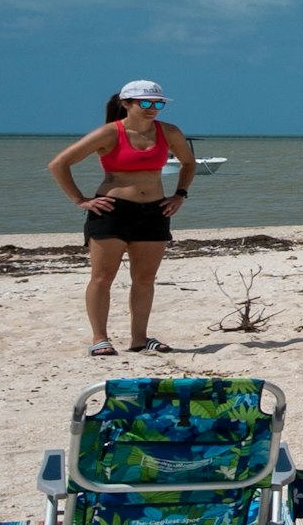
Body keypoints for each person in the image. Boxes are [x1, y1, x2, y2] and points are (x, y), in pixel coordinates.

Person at [45, 79, 195, 357]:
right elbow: (59, 164)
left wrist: (180, 195)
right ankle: (100, 338)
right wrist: (80, 200)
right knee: (102, 277)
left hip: (154, 211)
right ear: (127, 104)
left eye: (158, 103)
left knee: (145, 278)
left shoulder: (169, 132)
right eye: (146, 103)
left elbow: (188, 163)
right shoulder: (109, 133)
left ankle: (139, 338)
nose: (153, 109)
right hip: (112, 211)